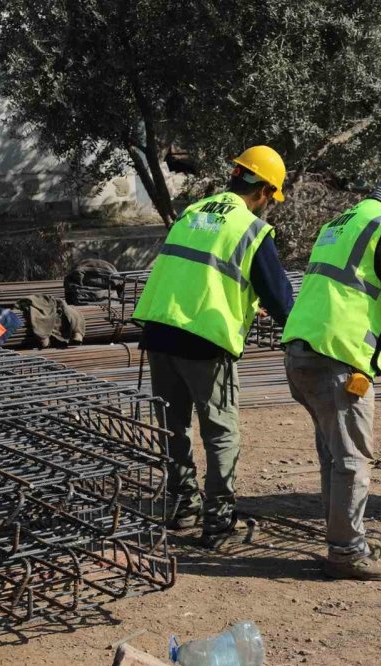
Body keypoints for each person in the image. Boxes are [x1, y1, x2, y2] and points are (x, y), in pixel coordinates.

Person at [281, 159, 381, 581]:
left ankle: (348, 539)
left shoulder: (343, 221)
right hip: (337, 357)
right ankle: (347, 552)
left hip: (302, 351)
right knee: (352, 459)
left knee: (334, 456)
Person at [132, 145, 295, 548]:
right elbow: (280, 299)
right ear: (262, 191)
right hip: (204, 341)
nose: (268, 206)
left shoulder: (193, 212)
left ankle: (182, 506)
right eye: (271, 198)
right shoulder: (251, 228)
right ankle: (219, 523)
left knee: (174, 425)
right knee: (220, 432)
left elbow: (194, 273)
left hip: (159, 329)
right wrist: (301, 331)